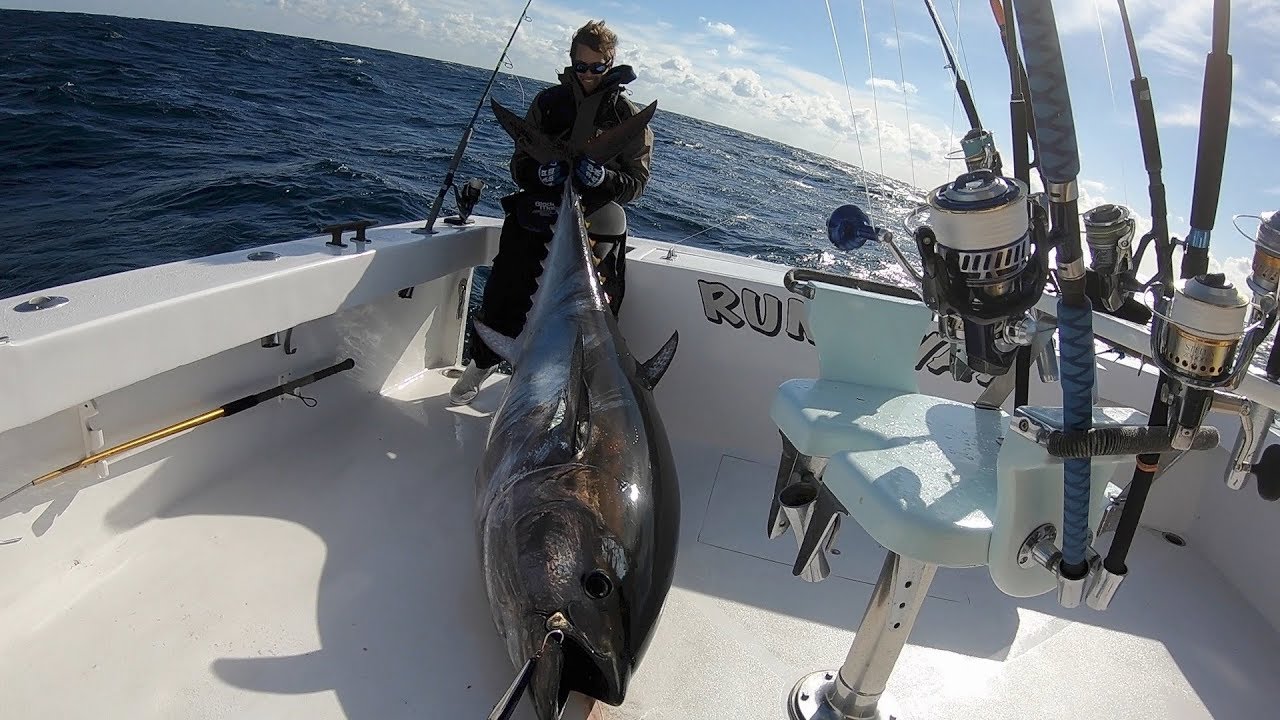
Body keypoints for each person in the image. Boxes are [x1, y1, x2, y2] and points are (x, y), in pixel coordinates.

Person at [450, 19, 655, 405]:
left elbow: (636, 183)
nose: (590, 75)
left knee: (592, 315)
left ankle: (575, 393)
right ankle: (483, 361)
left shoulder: (629, 118)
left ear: (611, 63)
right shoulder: (547, 103)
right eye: (582, 66)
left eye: (599, 67)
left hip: (594, 226)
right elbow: (519, 165)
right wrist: (540, 172)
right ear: (571, 62)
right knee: (505, 291)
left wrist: (603, 178)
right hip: (539, 212)